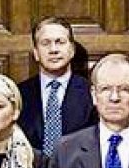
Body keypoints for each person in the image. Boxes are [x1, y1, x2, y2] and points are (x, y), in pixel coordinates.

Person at [18, 16, 96, 156]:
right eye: (45, 43)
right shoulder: (19, 94)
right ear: (36, 53)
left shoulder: (90, 92)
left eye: (60, 42)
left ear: (72, 50)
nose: (53, 49)